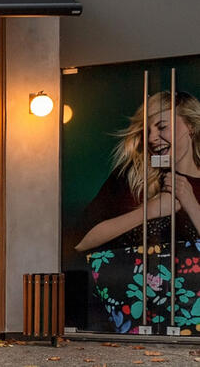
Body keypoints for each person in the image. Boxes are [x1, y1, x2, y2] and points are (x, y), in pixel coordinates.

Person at [75, 91, 200, 333]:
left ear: (191, 127)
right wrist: (150, 210)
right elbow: (81, 241)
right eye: (147, 131)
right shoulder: (132, 179)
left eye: (162, 127)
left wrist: (189, 202)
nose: (152, 138)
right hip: (133, 324)